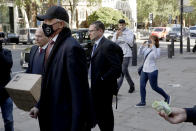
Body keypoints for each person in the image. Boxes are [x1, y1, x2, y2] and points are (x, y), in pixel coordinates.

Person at [29, 6, 92, 131]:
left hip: (63, 121)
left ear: (60, 24)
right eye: (43, 22)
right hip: (49, 117)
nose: (44, 25)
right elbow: (48, 83)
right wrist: (39, 106)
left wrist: (77, 125)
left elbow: (78, 92)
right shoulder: (52, 45)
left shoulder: (71, 48)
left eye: (47, 21)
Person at [89, 21, 122, 131]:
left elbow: (117, 69)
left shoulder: (108, 45)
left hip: (104, 89)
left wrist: (102, 78)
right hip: (96, 88)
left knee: (106, 116)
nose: (89, 33)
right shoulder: (96, 44)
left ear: (100, 31)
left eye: (91, 31)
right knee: (100, 114)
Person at [135, 35, 170, 107]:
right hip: (144, 70)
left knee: (154, 87)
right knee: (142, 86)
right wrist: (142, 46)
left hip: (152, 71)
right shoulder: (146, 48)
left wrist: (153, 46)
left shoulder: (157, 49)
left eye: (151, 40)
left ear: (155, 41)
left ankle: (167, 96)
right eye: (149, 39)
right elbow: (139, 54)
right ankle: (143, 102)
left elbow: (156, 57)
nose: (149, 41)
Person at [112, 19, 135, 93]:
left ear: (125, 25)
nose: (121, 26)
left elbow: (131, 43)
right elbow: (112, 43)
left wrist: (123, 36)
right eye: (119, 25)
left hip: (126, 54)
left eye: (122, 25)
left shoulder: (129, 32)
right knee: (125, 72)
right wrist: (116, 36)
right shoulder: (116, 32)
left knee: (121, 72)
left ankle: (116, 90)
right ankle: (131, 85)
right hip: (118, 55)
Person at [0, 32, 14, 131]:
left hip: (6, 94)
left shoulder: (6, 52)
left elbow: (8, 64)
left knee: (8, 120)